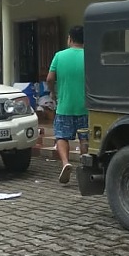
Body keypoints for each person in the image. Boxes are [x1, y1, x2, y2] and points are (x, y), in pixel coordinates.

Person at [46, 25, 88, 184]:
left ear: (70, 38)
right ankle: (85, 164)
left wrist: (53, 92)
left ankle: (66, 163)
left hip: (64, 106)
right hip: (86, 107)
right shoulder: (90, 56)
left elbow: (50, 78)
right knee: (85, 137)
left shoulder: (59, 56)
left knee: (62, 136)